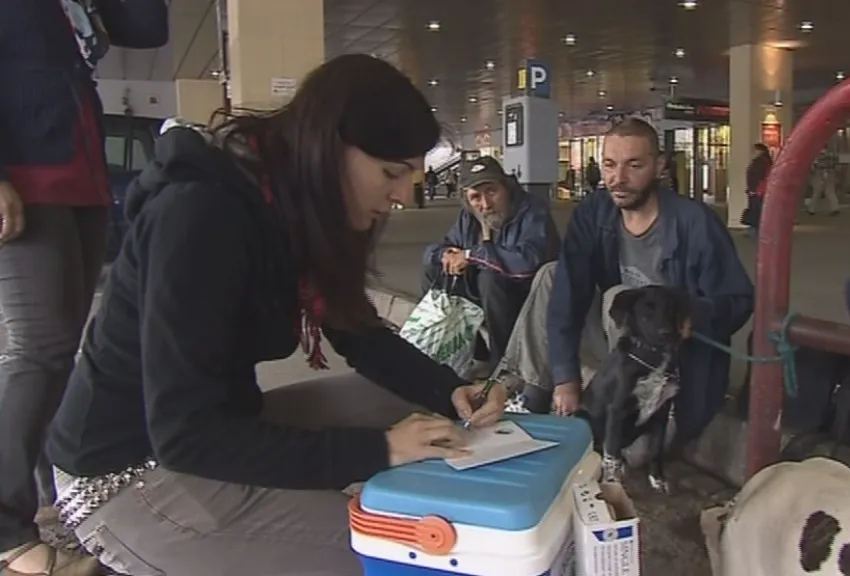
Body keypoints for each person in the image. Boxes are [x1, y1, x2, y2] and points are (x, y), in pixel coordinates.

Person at [41, 54, 506, 576]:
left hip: (219, 426)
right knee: (399, 555)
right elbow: (183, 433)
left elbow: (357, 330)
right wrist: (378, 450)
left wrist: (448, 390)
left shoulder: (290, 204)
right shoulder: (200, 216)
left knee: (414, 412)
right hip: (129, 473)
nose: (402, 195)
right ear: (330, 149)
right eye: (391, 172)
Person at [0, 1, 169, 574]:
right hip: (24, 175)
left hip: (81, 177)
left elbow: (147, 29)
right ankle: (5, 533)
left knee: (59, 352)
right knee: (38, 351)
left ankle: (57, 510)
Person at [496, 118, 753, 452]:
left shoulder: (695, 223)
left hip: (671, 359)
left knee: (635, 455)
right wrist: (565, 378)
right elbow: (567, 294)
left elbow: (739, 299)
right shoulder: (594, 213)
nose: (618, 179)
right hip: (617, 342)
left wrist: (692, 316)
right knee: (550, 275)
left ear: (659, 166)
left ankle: (626, 407)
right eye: (609, 165)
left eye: (634, 165)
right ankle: (535, 394)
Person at [422, 156, 559, 377]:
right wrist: (445, 255)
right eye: (476, 197)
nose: (485, 205)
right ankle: (472, 354)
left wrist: (471, 255)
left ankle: (504, 366)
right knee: (435, 269)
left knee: (490, 277)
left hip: (527, 296)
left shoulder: (532, 209)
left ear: (505, 187)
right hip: (487, 297)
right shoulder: (469, 217)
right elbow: (437, 250)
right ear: (467, 199)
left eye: (492, 192)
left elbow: (528, 262)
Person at [742, 143, 772, 238]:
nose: (753, 152)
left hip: (757, 190)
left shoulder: (759, 162)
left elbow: (756, 177)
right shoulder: (766, 160)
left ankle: (755, 231)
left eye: (755, 150)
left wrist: (752, 189)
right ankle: (756, 231)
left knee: (755, 210)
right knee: (758, 210)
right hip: (761, 190)